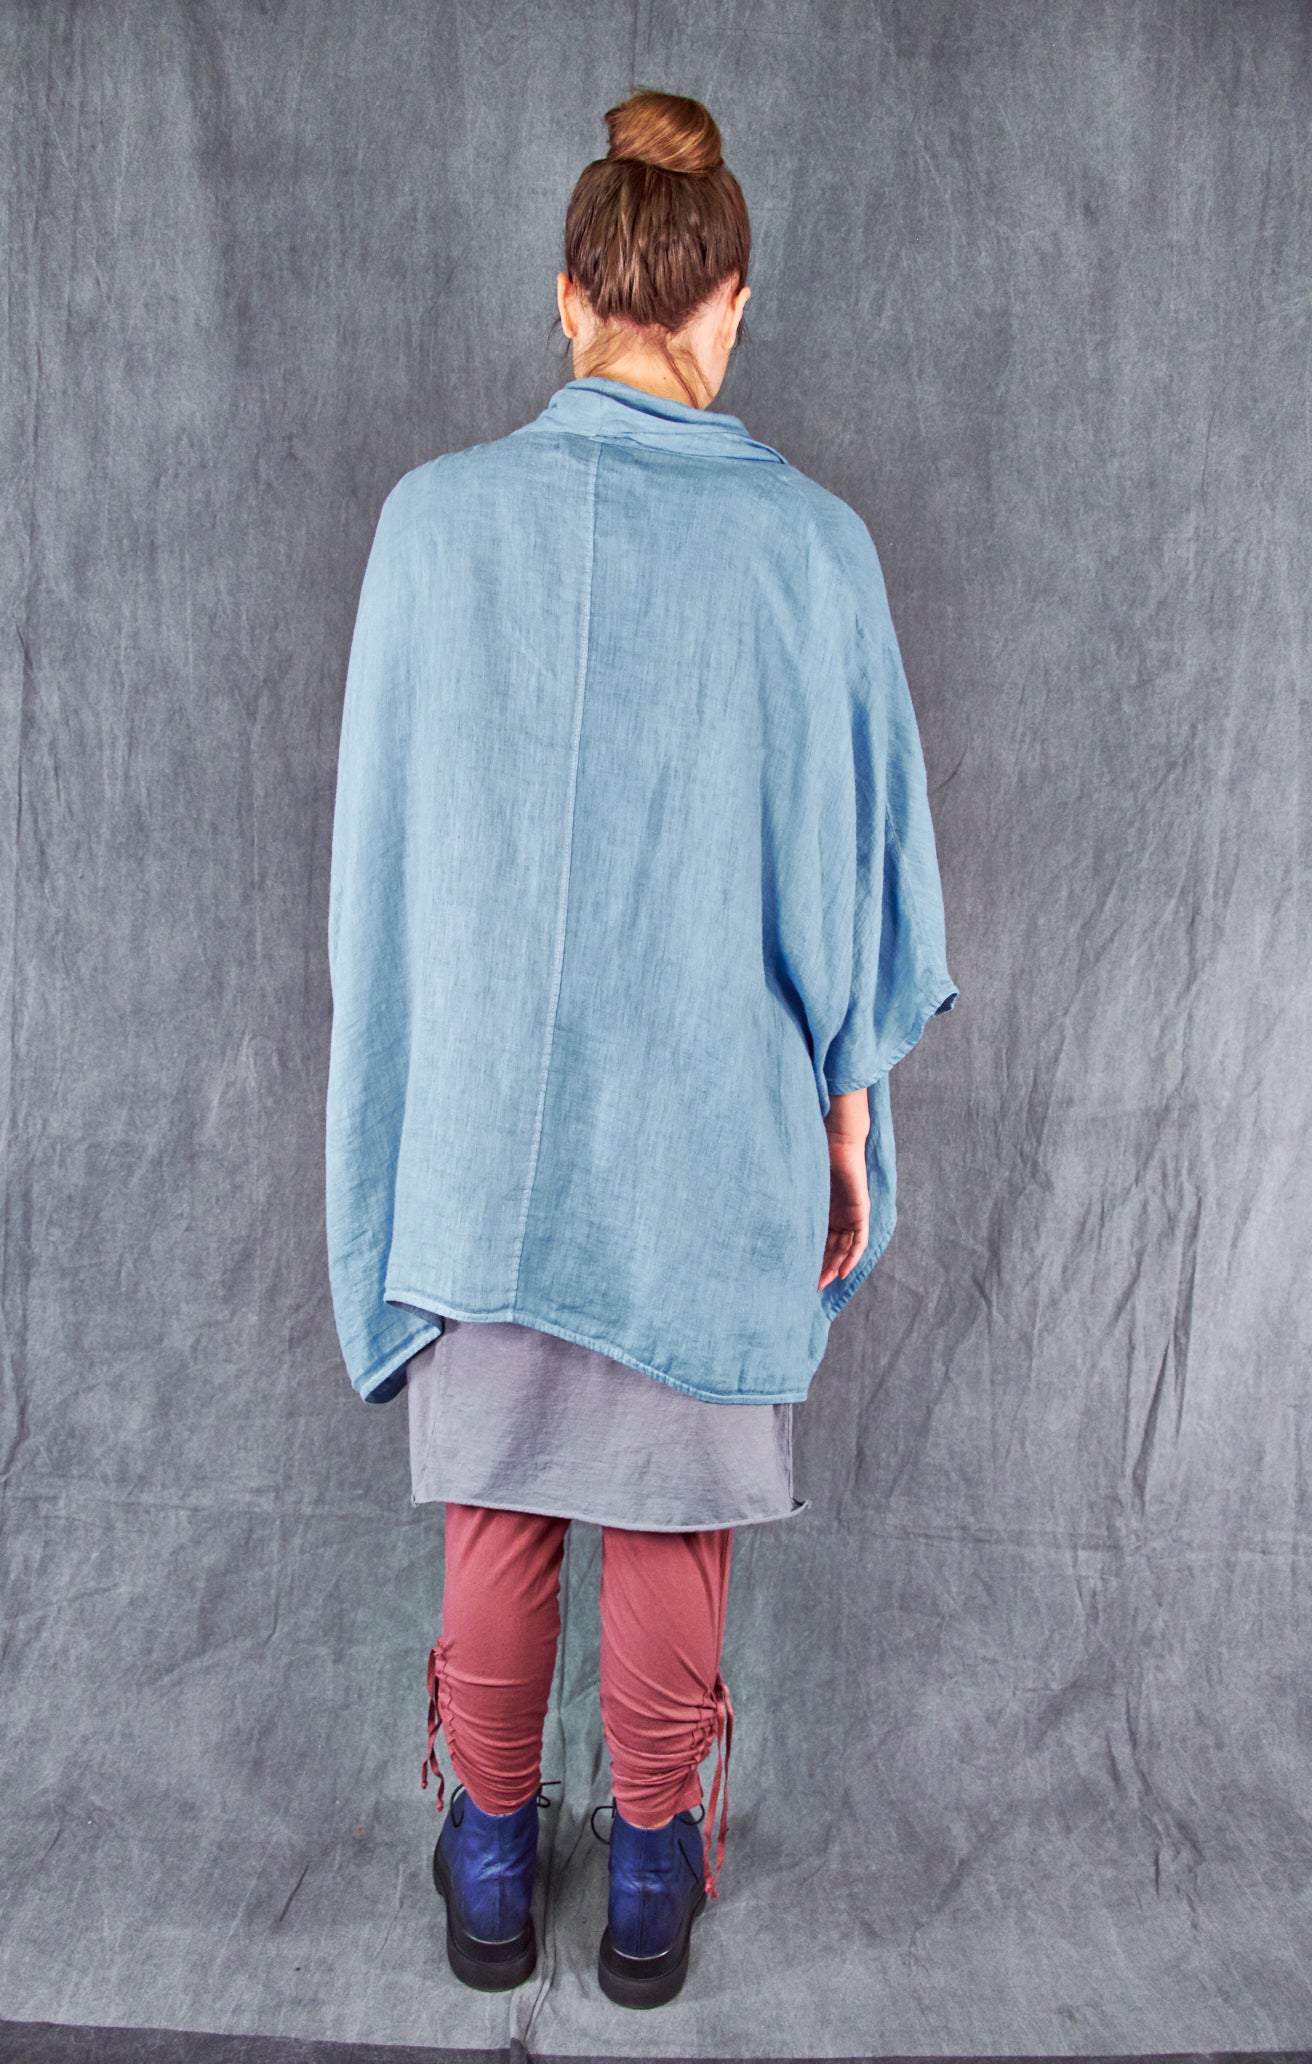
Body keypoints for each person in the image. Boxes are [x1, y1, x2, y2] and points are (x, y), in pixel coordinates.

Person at [325, 87, 958, 2011]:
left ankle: (491, 1860)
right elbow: (864, 884)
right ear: (728, 306)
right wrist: (842, 1120)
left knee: (500, 1493)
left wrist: (401, 1124)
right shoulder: (817, 554)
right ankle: (655, 1885)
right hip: (709, 1132)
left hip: (488, 1134)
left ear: (568, 297)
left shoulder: (429, 530)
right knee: (675, 1506)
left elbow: (378, 883)